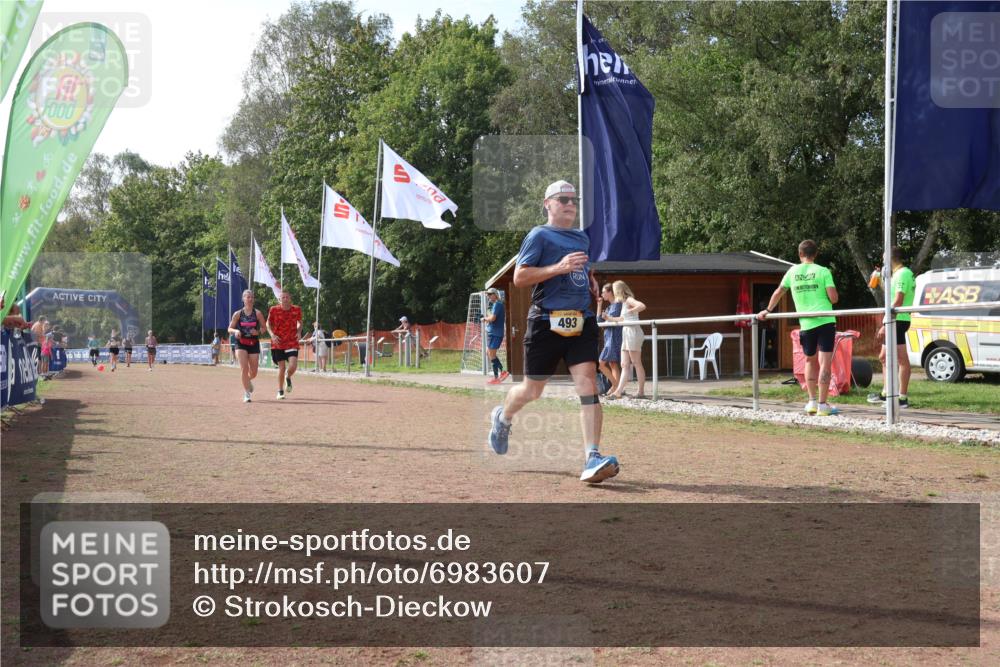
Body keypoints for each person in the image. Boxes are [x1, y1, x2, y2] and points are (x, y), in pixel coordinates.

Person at [487, 180, 620, 484]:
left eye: (574, 200)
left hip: (581, 321)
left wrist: (590, 279)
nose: (571, 204)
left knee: (588, 386)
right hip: (546, 322)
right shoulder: (539, 235)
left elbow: (581, 269)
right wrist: (558, 267)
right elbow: (520, 277)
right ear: (547, 204)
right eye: (563, 199)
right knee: (532, 391)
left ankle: (592, 456)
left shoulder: (582, 238)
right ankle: (503, 418)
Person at [758, 239, 840, 416]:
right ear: (816, 254)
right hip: (825, 321)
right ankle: (823, 404)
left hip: (806, 324)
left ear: (800, 254)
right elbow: (833, 298)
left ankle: (811, 402)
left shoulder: (792, 272)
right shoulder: (823, 271)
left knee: (810, 361)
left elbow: (779, 291)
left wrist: (767, 310)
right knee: (824, 363)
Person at [868, 246, 915, 408]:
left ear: (889, 258)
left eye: (883, 259)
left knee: (901, 359)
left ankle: (901, 398)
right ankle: (886, 393)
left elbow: (898, 301)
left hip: (898, 320)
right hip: (895, 319)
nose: (882, 262)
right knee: (883, 357)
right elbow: (891, 295)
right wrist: (880, 280)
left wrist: (885, 323)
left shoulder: (903, 274)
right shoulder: (896, 275)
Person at [607, 281, 647, 399]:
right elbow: (622, 318)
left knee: (636, 363)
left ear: (619, 290)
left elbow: (642, 306)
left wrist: (631, 310)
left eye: (614, 291)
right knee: (624, 364)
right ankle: (618, 392)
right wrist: (608, 318)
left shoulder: (628, 299)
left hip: (633, 331)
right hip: (626, 331)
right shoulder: (624, 302)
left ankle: (641, 392)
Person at [228, 290, 265, 401]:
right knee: (244, 369)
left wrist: (257, 332)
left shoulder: (257, 313)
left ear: (253, 299)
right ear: (243, 299)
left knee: (253, 372)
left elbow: (264, 328)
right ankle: (247, 393)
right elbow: (229, 328)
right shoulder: (238, 314)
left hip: (253, 343)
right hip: (241, 343)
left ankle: (248, 381)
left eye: (251, 297)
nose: (249, 299)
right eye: (247, 297)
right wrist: (235, 331)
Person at [266, 289, 302, 400]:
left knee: (293, 365)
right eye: (283, 297)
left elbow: (300, 322)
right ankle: (280, 391)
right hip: (278, 342)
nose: (285, 299)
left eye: (287, 297)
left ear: (290, 299)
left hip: (291, 341)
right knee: (281, 367)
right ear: (279, 299)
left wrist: (299, 331)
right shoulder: (274, 310)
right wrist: (272, 335)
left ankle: (288, 375)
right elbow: (268, 323)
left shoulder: (297, 309)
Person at [596, 283, 622, 396]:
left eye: (603, 291)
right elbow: (599, 322)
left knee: (601, 364)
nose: (602, 294)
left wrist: (607, 318)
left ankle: (616, 386)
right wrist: (599, 305)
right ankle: (617, 388)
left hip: (614, 338)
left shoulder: (617, 305)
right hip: (608, 338)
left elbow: (611, 321)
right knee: (613, 364)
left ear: (610, 292)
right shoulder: (609, 307)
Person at [481, 288, 509, 384]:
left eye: (490, 294)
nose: (488, 296)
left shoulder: (497, 304)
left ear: (495, 295)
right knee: (489, 353)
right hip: (494, 333)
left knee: (491, 354)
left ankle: (498, 377)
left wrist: (484, 319)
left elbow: (492, 318)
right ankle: (502, 372)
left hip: (495, 334)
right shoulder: (496, 305)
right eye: (488, 294)